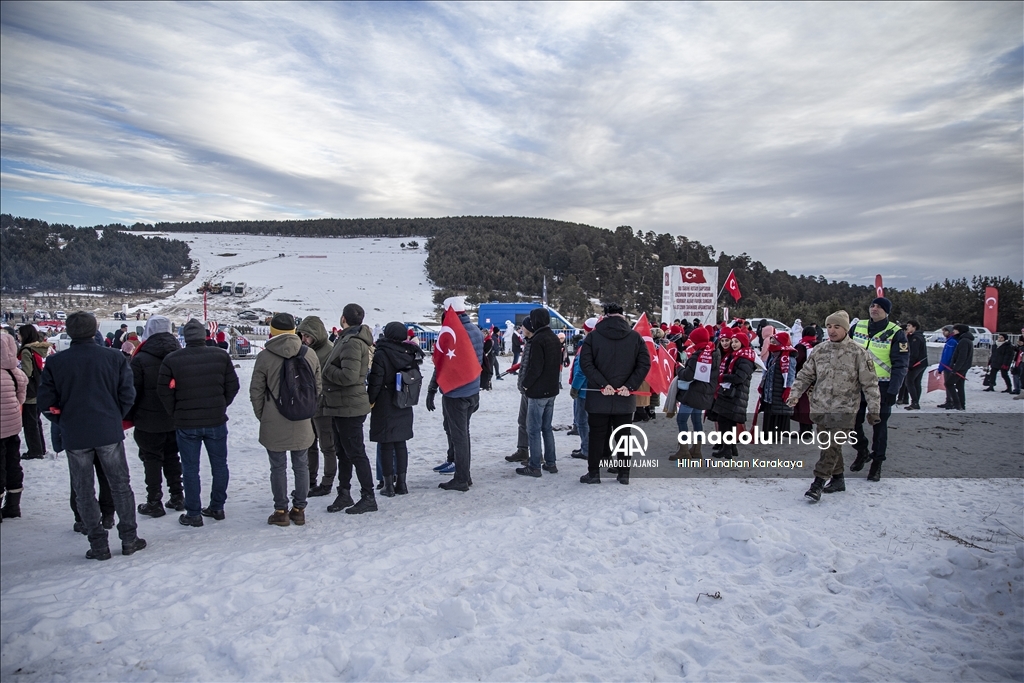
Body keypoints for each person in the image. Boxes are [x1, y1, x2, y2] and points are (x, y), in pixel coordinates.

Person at [37, 312, 145, 560]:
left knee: (83, 489)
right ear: (93, 330)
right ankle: (129, 538)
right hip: (107, 429)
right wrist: (113, 416)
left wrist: (63, 420)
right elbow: (128, 394)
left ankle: (98, 544)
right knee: (120, 486)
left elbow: (45, 402)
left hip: (76, 434)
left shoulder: (56, 362)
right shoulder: (114, 358)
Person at [786, 311, 881, 502]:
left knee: (831, 445)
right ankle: (838, 479)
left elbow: (870, 384)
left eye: (836, 327)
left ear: (845, 328)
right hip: (820, 407)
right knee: (828, 446)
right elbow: (806, 375)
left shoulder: (858, 353)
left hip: (844, 409)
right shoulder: (820, 350)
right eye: (829, 326)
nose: (832, 330)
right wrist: (794, 394)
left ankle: (818, 483)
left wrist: (874, 409)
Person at [158, 319, 240, 527]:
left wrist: (175, 412)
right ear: (204, 336)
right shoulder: (220, 356)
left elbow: (163, 391)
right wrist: (221, 404)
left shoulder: (172, 359)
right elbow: (233, 385)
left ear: (185, 337)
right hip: (215, 419)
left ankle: (193, 512)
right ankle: (217, 506)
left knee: (190, 468)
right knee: (220, 465)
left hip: (187, 421)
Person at [250, 313, 321, 526]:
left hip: (274, 419)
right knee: (301, 464)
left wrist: (263, 415)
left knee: (277, 467)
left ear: (273, 331)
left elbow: (256, 392)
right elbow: (317, 389)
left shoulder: (265, 356)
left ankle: (281, 511)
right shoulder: (309, 354)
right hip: (302, 419)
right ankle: (299, 509)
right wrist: (308, 410)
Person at [578, 303, 650, 485]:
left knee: (596, 436)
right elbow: (644, 364)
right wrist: (629, 385)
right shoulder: (635, 337)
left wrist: (602, 383)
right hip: (624, 398)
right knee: (624, 435)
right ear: (622, 316)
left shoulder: (593, 337)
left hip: (598, 397)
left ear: (606, 316)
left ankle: (594, 473)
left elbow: (586, 364)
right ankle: (624, 473)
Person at [322, 303, 378, 513]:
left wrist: (327, 372)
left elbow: (349, 376)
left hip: (350, 406)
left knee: (355, 453)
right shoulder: (346, 338)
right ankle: (344, 493)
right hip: (340, 405)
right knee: (343, 453)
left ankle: (368, 495)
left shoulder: (353, 342)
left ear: (343, 318)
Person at [127, 315, 185, 518]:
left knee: (151, 459)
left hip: (148, 418)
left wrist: (131, 415)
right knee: (172, 456)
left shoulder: (141, 358)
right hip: (175, 418)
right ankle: (178, 495)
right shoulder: (180, 355)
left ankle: (154, 500)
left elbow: (132, 391)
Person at [849, 297, 909, 482]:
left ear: (887, 311)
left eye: (879, 307)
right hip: (856, 385)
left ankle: (877, 464)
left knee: (879, 426)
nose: (874, 309)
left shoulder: (896, 333)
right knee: (851, 424)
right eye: (872, 305)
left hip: (881, 386)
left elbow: (901, 364)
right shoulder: (858, 327)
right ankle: (862, 450)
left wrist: (894, 390)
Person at [367, 321, 424, 497]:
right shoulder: (411, 353)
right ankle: (402, 483)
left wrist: (369, 401)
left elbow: (376, 380)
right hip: (404, 401)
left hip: (385, 401)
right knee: (400, 444)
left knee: (385, 444)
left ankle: (387, 485)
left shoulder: (382, 354)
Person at [433, 297, 484, 492]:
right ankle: (465, 475)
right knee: (464, 433)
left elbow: (445, 364)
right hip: (473, 390)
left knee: (459, 436)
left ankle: (461, 478)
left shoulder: (452, 332)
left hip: (457, 393)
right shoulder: (476, 331)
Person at [517, 307, 562, 477]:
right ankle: (551, 463)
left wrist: (526, 385)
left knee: (533, 429)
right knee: (546, 428)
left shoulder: (538, 340)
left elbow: (535, 367)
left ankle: (535, 465)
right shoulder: (554, 338)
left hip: (538, 391)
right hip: (552, 390)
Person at [665, 325, 719, 460]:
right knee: (697, 421)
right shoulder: (713, 352)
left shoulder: (698, 356)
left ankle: (684, 451)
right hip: (704, 393)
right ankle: (696, 449)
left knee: (681, 420)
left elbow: (688, 375)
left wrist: (679, 369)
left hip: (693, 393)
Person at [297, 316, 337, 497]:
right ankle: (310, 480)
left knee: (327, 446)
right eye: (302, 335)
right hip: (308, 405)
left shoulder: (329, 350)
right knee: (309, 444)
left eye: (307, 335)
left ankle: (327, 482)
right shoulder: (305, 350)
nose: (304, 339)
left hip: (325, 405)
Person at [709, 329, 756, 458]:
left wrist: (723, 377)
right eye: (733, 342)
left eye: (736, 342)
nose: (733, 344)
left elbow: (739, 377)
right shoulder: (738, 355)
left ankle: (727, 449)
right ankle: (731, 448)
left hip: (735, 394)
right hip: (731, 393)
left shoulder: (744, 358)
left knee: (724, 420)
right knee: (727, 421)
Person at [1, 332, 28, 520]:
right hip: (12, 427)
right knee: (13, 463)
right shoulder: (15, 372)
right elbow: (21, 399)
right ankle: (13, 505)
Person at [16, 324, 50, 459]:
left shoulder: (26, 351)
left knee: (30, 422)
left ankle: (34, 450)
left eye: (20, 334)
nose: (18, 337)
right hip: (40, 388)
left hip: (30, 390)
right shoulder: (40, 348)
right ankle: (40, 447)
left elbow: (27, 372)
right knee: (36, 421)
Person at [504, 317, 534, 465]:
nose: (521, 329)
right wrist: (517, 367)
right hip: (525, 390)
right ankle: (523, 449)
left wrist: (527, 384)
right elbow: (526, 362)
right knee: (522, 421)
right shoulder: (528, 342)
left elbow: (536, 366)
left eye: (523, 327)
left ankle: (536, 454)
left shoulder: (535, 343)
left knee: (533, 423)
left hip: (532, 390)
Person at [569, 317, 598, 461]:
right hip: (594, 388)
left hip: (584, 390)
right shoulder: (599, 344)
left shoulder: (586, 345)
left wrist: (575, 387)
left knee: (582, 420)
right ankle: (587, 446)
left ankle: (586, 449)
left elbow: (581, 370)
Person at [759, 331, 797, 434]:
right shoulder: (773, 355)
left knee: (777, 413)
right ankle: (767, 434)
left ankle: (775, 435)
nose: (772, 344)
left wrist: (788, 389)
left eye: (774, 342)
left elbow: (790, 375)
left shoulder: (788, 358)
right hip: (769, 390)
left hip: (779, 389)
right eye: (771, 342)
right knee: (769, 412)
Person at [792, 325, 818, 434]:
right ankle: (809, 428)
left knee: (803, 404)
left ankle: (804, 430)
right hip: (817, 378)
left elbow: (796, 361)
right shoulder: (819, 344)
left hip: (803, 378)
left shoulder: (801, 346)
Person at [902, 320, 928, 410]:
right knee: (916, 382)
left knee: (909, 382)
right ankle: (916, 402)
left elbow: (913, 353)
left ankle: (915, 402)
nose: (907, 327)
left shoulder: (915, 338)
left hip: (916, 364)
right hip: (922, 363)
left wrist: (909, 365)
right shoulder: (917, 336)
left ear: (914, 327)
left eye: (909, 325)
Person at [948, 324, 974, 411]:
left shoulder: (964, 341)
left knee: (949, 383)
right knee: (960, 385)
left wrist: (955, 368)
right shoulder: (965, 340)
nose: (953, 332)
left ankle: (957, 404)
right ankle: (961, 404)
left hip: (960, 367)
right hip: (963, 366)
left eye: (955, 330)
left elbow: (962, 357)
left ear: (960, 330)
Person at [937, 325, 958, 409]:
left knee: (949, 384)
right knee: (948, 384)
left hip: (948, 366)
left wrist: (941, 367)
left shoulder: (951, 342)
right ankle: (949, 400)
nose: (943, 333)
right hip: (949, 366)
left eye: (945, 331)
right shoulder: (951, 341)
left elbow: (947, 356)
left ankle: (951, 401)